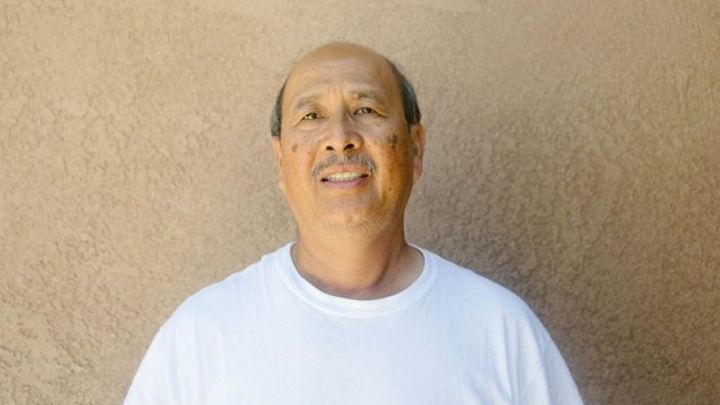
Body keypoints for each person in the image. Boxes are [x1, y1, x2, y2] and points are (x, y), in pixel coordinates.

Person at [124, 42, 583, 404]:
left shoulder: (499, 328)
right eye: (311, 116)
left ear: (415, 148)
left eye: (366, 110)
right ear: (280, 160)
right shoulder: (202, 335)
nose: (340, 138)